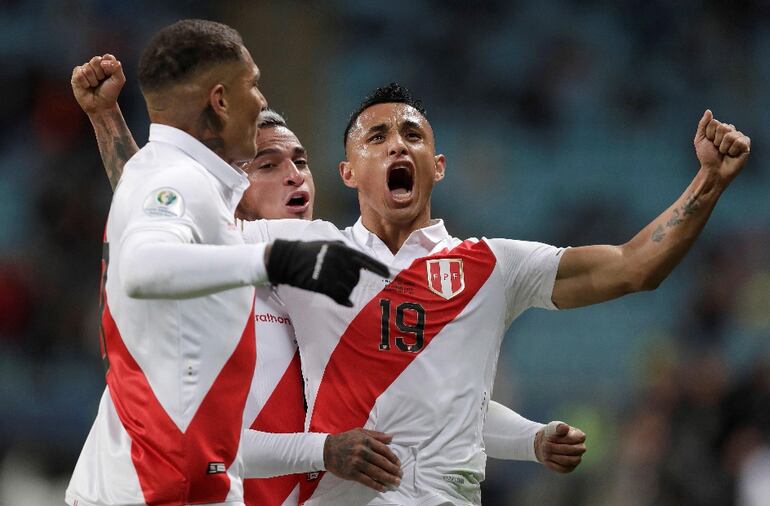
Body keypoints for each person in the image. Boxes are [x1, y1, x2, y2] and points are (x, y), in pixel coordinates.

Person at [71, 55, 588, 506]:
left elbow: (435, 402)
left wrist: (530, 440)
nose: (295, 175)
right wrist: (106, 117)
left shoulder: (323, 288)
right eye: (268, 165)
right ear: (227, 191)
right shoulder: (210, 288)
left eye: (300, 161)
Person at [65, 20, 391, 506]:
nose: (260, 99)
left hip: (190, 483)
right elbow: (144, 261)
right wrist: (280, 259)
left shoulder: (173, 182)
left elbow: (147, 193)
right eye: (253, 84)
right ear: (219, 100)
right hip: (153, 487)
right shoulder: (198, 196)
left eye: (300, 162)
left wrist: (107, 118)